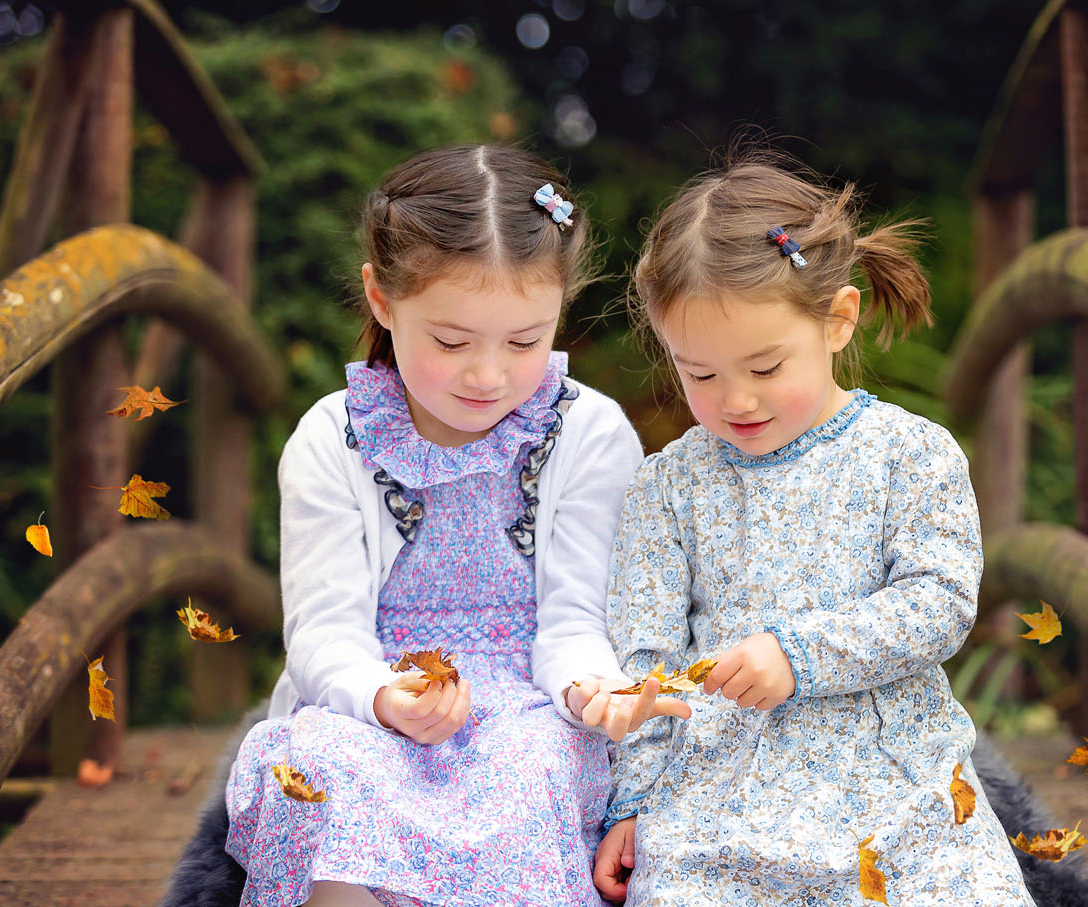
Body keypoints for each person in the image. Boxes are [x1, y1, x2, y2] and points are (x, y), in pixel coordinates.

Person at [224, 144, 685, 907]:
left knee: (532, 764)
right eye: (450, 340)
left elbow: (574, 621)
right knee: (326, 775)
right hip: (369, 695)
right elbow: (323, 633)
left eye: (525, 340)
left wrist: (593, 689)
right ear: (381, 300)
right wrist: (382, 694)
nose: (488, 375)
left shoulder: (590, 434)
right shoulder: (331, 437)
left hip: (531, 699)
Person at [593, 157, 1036, 905]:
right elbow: (647, 651)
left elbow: (941, 601)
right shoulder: (669, 485)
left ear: (836, 320)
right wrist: (631, 800)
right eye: (698, 373)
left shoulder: (911, 454)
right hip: (724, 786)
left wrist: (800, 655)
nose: (735, 399)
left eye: (765, 366)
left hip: (896, 772)